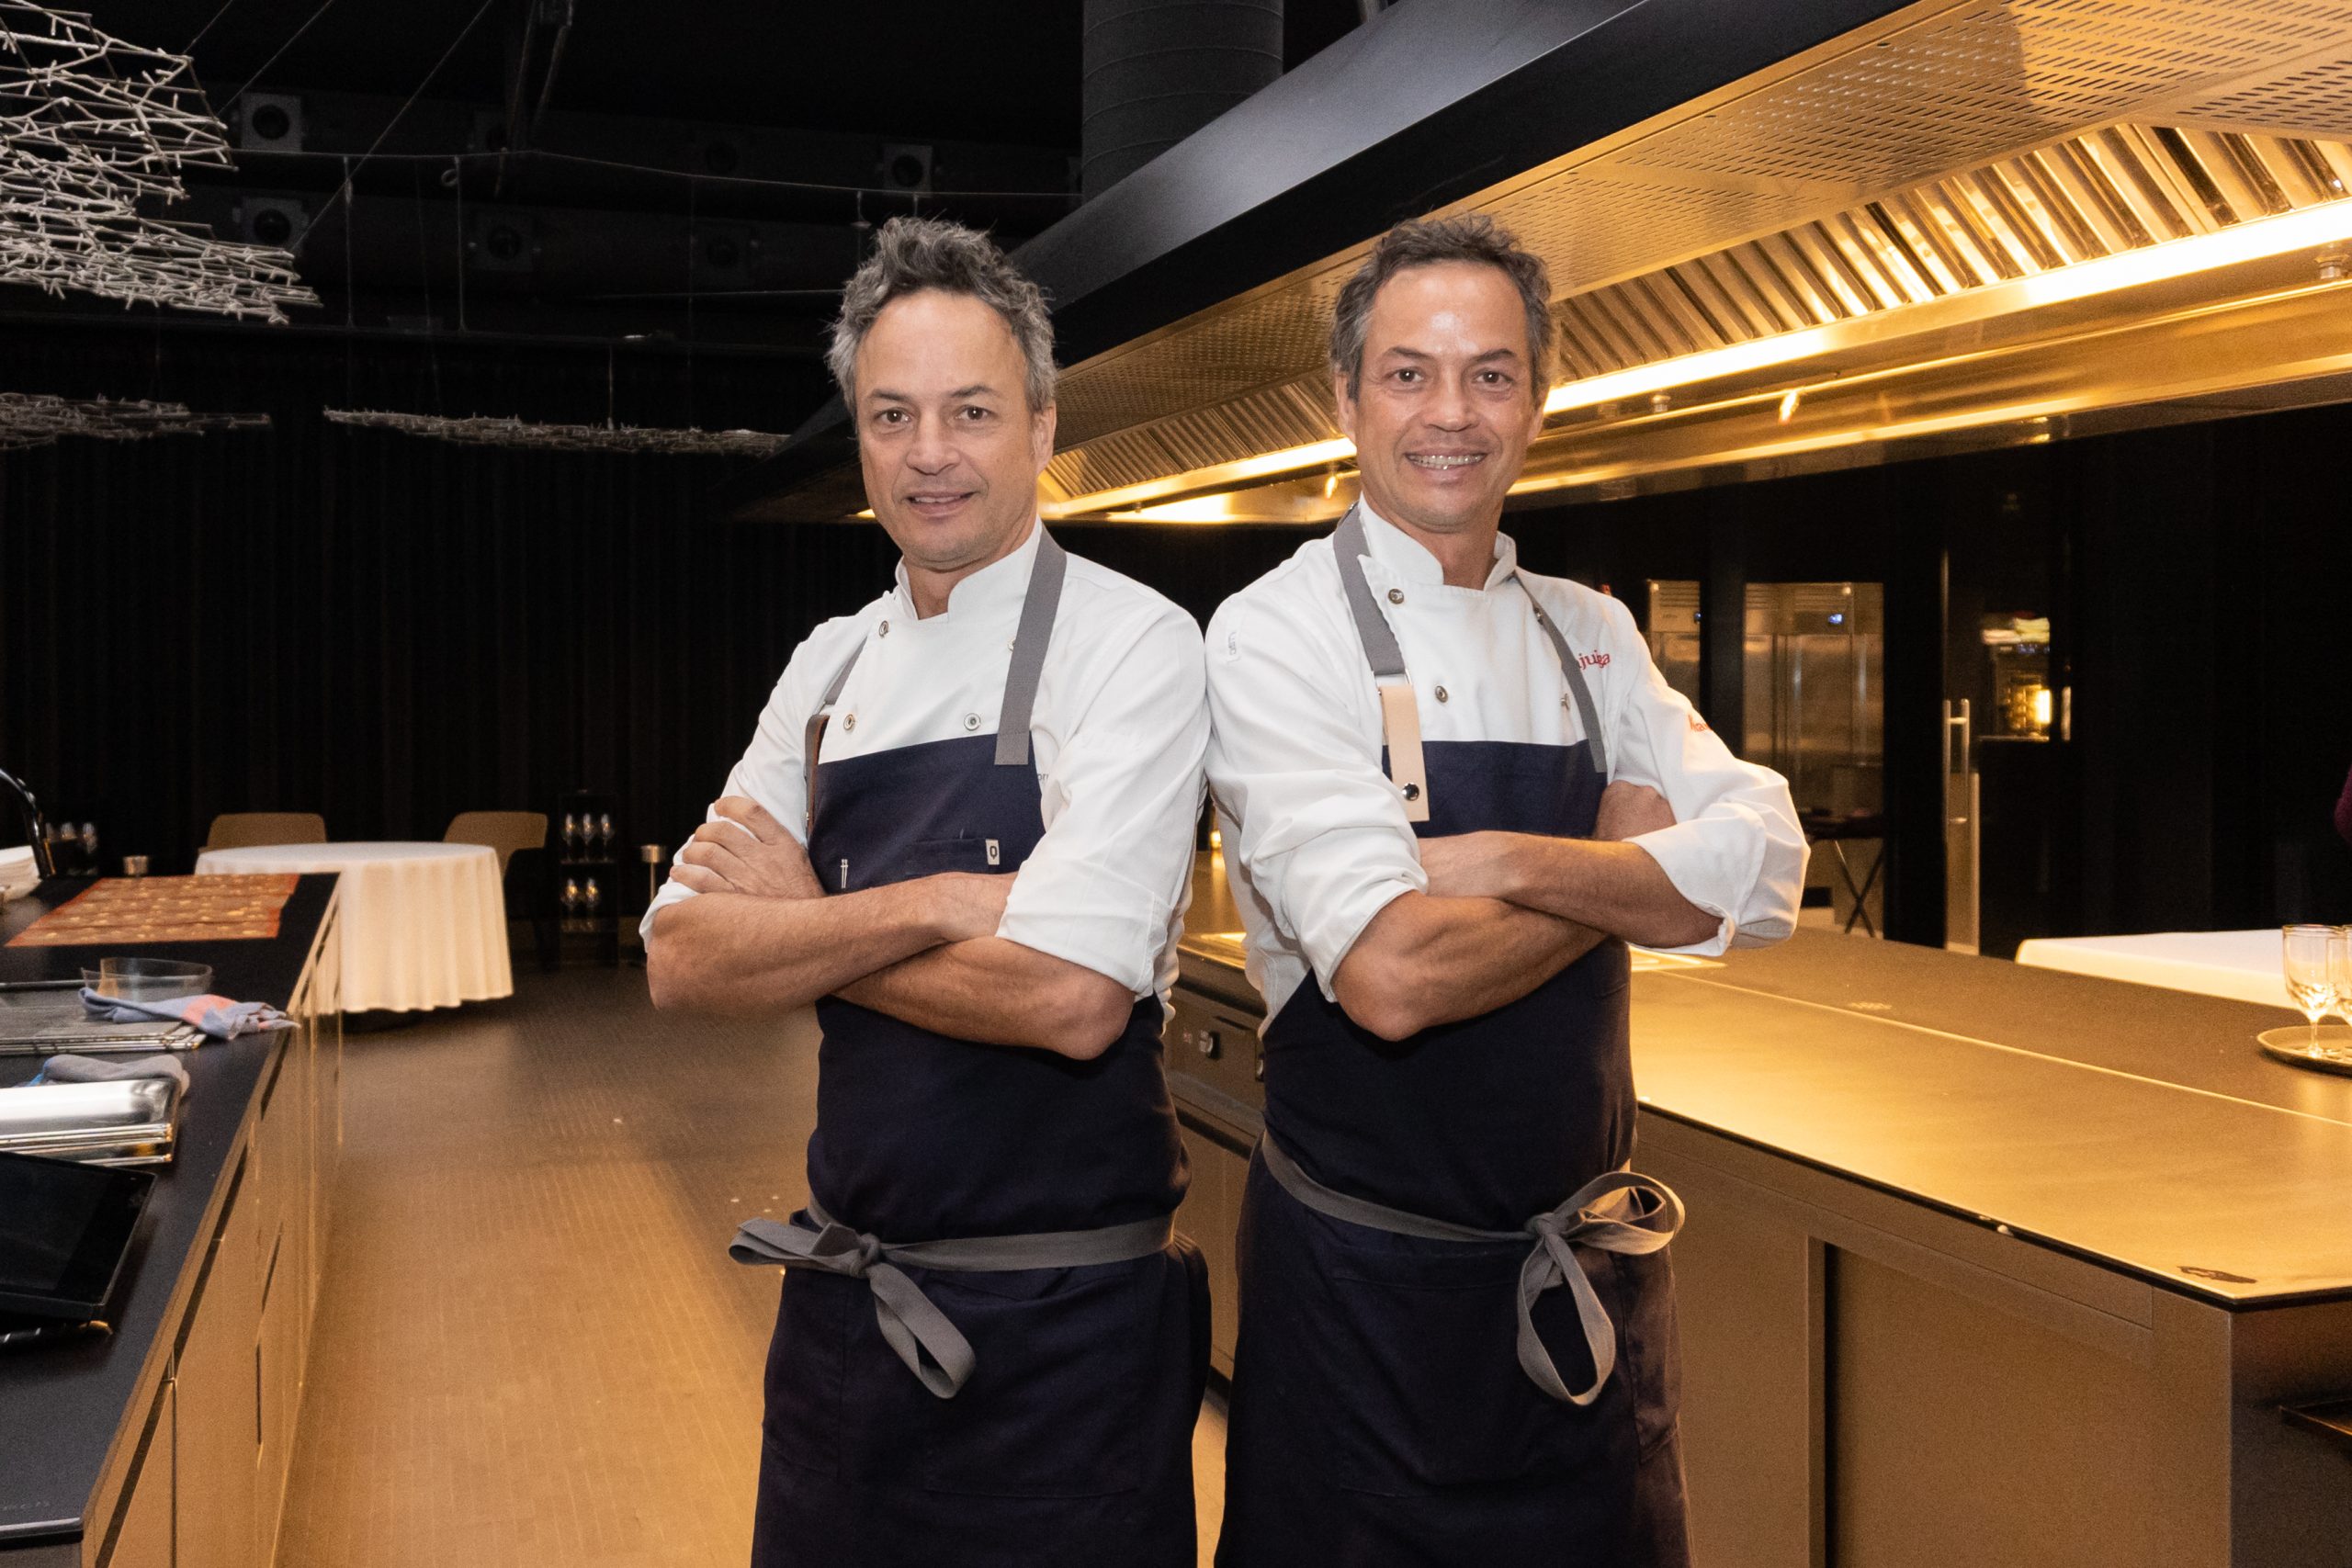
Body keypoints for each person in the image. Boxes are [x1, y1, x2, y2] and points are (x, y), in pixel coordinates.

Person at [1204, 215, 1807, 1566]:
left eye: (1491, 374)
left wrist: (1507, 860)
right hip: (1365, 1312)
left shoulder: (1590, 632)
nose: (1451, 414)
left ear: (1537, 400)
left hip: (1584, 1294)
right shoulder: (1274, 635)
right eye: (1408, 374)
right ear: (1347, 398)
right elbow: (1392, 975)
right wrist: (1623, 865)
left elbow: (1768, 864)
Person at [644, 216, 1209, 1567]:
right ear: (859, 437)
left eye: (971, 411)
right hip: (848, 1317)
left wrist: (802, 923)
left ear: (1042, 425)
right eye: (892, 416)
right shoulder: (830, 665)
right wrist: (939, 902)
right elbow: (680, 960)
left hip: (1068, 1340)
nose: (929, 452)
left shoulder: (1132, 643)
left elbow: (1070, 1000)